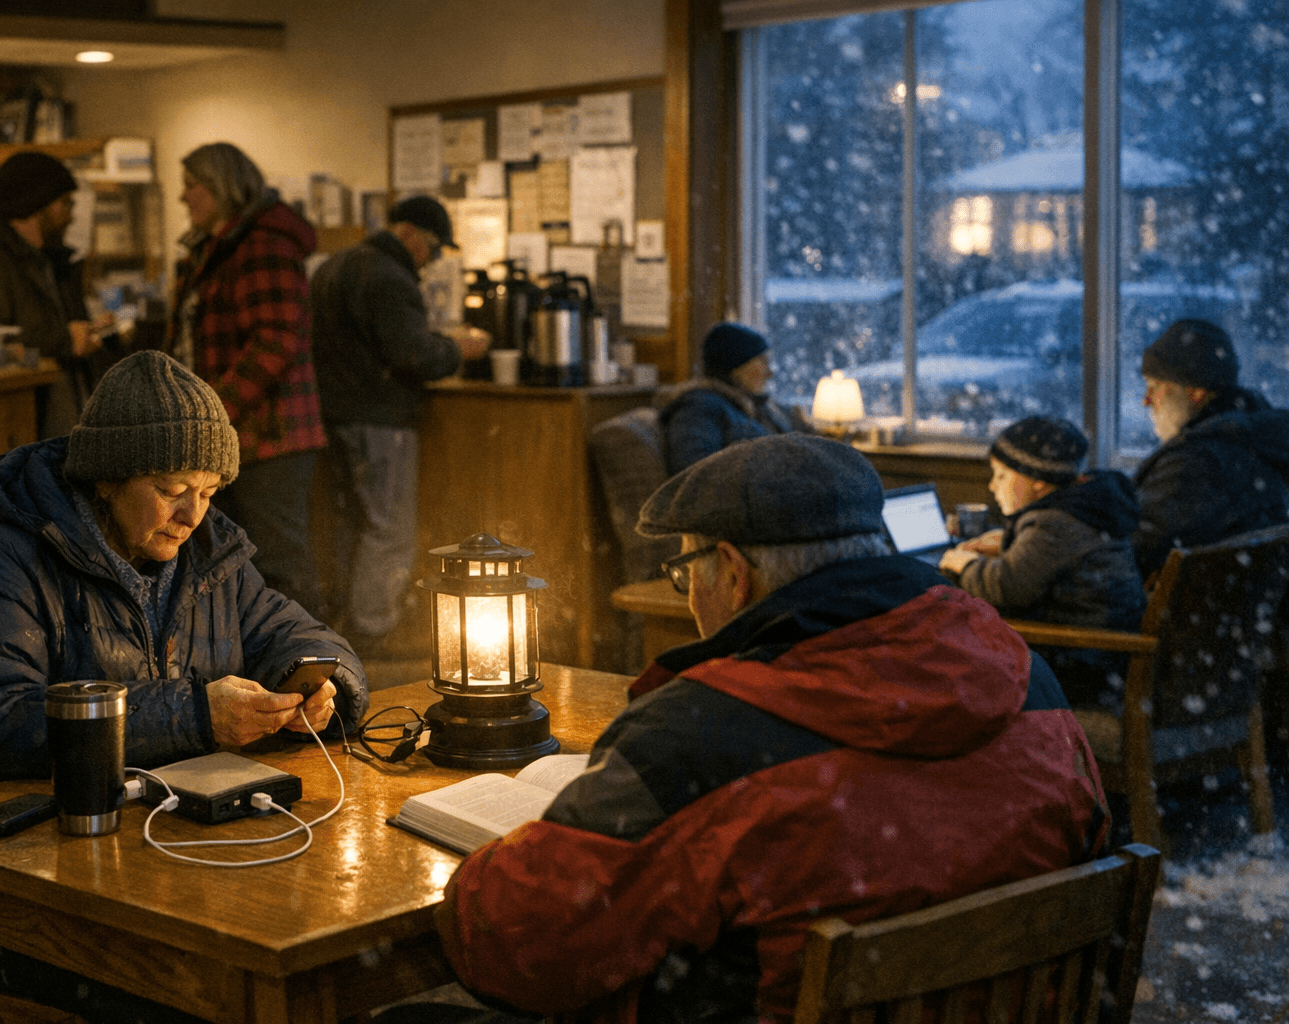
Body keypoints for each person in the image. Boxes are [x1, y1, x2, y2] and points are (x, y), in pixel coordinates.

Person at [432, 434, 1108, 1023]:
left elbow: (517, 947)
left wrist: (498, 864)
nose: (688, 596)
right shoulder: (1026, 678)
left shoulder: (705, 734)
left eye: (683, 571)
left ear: (731, 571)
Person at [0, 350, 369, 1024]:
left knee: (317, 950)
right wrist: (194, 715)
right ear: (105, 476)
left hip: (135, 862)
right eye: (171, 485)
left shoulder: (206, 559)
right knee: (207, 992)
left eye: (210, 491)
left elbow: (301, 635)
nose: (192, 515)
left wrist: (319, 689)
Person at [311, 194, 490, 657]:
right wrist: (458, 350)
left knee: (354, 525)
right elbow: (413, 354)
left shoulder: (335, 266)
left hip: (333, 417)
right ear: (409, 233)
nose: (431, 260)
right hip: (380, 419)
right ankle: (373, 635)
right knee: (389, 529)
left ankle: (343, 631)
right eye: (432, 247)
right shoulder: (388, 277)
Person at [168, 142, 327, 620]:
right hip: (237, 431)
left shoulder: (264, 244)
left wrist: (212, 409)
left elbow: (276, 341)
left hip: (270, 436)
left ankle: (318, 670)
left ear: (221, 188)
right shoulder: (215, 247)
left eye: (191, 187)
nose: (184, 198)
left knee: (279, 561)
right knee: (232, 558)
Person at [937, 416, 1146, 709]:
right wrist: (1011, 543)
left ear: (1037, 480)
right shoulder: (1082, 507)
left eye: (1001, 475)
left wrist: (965, 563)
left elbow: (1006, 586)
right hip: (1101, 660)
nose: (992, 486)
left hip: (1076, 670)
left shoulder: (1054, 524)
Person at [0, 150, 105, 439]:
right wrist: (65, 340)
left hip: (53, 423)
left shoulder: (48, 261)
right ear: (39, 204)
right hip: (11, 432)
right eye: (64, 203)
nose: (70, 214)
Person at [1132, 318, 1289, 579]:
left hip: (1178, 612)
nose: (1145, 401)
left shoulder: (1196, 463)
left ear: (1195, 392)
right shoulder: (1256, 444)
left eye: (1155, 388)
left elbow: (1135, 550)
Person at [658, 322, 802, 474]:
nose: (770, 373)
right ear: (738, 367)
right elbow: (693, 475)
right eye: (762, 362)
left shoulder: (754, 404)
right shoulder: (699, 408)